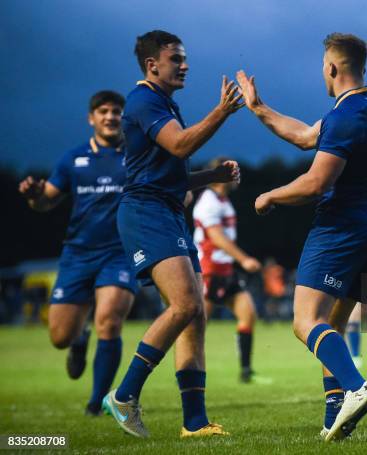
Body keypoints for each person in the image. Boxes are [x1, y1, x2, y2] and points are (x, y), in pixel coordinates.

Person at [237, 32, 367, 441]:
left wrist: (271, 194)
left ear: (333, 68)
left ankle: (357, 388)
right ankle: (335, 420)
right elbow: (305, 136)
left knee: (305, 322)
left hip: (341, 229)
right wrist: (257, 107)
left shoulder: (344, 116)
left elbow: (316, 183)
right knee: (331, 330)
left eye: (323, 64)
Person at [102, 30, 242, 438]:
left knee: (194, 314)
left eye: (184, 58)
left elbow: (172, 174)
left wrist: (212, 176)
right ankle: (124, 395)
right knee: (183, 305)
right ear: (152, 65)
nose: (185, 65)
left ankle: (194, 423)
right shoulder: (144, 100)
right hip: (146, 214)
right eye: (176, 59)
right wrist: (221, 112)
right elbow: (180, 146)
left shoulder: (164, 103)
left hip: (166, 212)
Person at [18, 91, 137, 416]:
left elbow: (164, 189)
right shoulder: (73, 159)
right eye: (103, 111)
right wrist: (34, 195)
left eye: (116, 111)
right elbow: (46, 201)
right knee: (59, 337)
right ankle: (78, 339)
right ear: (91, 118)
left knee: (110, 321)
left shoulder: (137, 156)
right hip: (77, 255)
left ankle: (96, 403)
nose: (110, 116)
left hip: (119, 252)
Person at [192, 157, 262, 383]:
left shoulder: (221, 200)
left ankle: (245, 371)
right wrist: (244, 259)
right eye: (233, 172)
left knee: (248, 314)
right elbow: (216, 237)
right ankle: (188, 373)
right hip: (210, 269)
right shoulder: (208, 202)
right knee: (198, 324)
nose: (237, 177)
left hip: (225, 269)